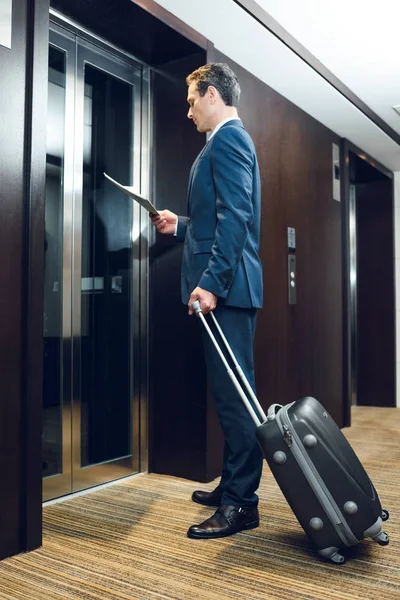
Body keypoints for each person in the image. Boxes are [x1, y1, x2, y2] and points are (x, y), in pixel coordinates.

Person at [151, 62, 263, 539]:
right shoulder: (220, 142)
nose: (189, 109)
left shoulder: (230, 139)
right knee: (228, 395)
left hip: (227, 292)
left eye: (192, 99)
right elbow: (218, 221)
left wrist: (213, 284)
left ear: (212, 94)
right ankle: (233, 485)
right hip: (225, 290)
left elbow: (237, 218)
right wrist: (181, 224)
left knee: (237, 400)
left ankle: (242, 504)